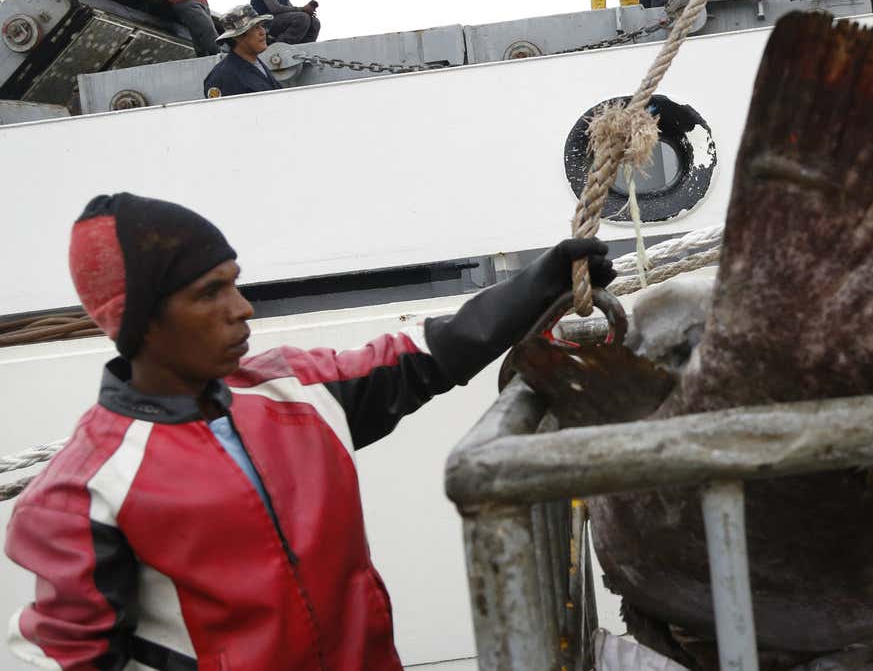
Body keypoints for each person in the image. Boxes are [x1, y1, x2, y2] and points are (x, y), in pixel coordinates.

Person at [4, 192, 615, 669]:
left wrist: (544, 280)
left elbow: (430, 356)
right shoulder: (82, 493)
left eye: (235, 283)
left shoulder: (295, 391)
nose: (242, 308)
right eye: (210, 292)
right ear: (141, 321)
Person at [203, 6, 281, 98]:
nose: (262, 32)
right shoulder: (223, 77)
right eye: (255, 27)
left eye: (261, 26)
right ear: (237, 37)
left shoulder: (257, 65)